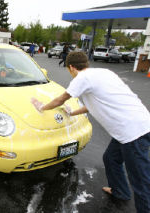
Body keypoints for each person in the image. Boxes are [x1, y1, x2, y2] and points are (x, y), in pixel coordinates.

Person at [31, 51, 150, 213]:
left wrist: (42, 107)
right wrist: (72, 113)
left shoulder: (81, 78)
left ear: (71, 67)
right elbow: (96, 103)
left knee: (141, 180)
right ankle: (120, 191)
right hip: (133, 126)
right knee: (111, 159)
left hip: (134, 132)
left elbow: (61, 99)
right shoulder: (103, 73)